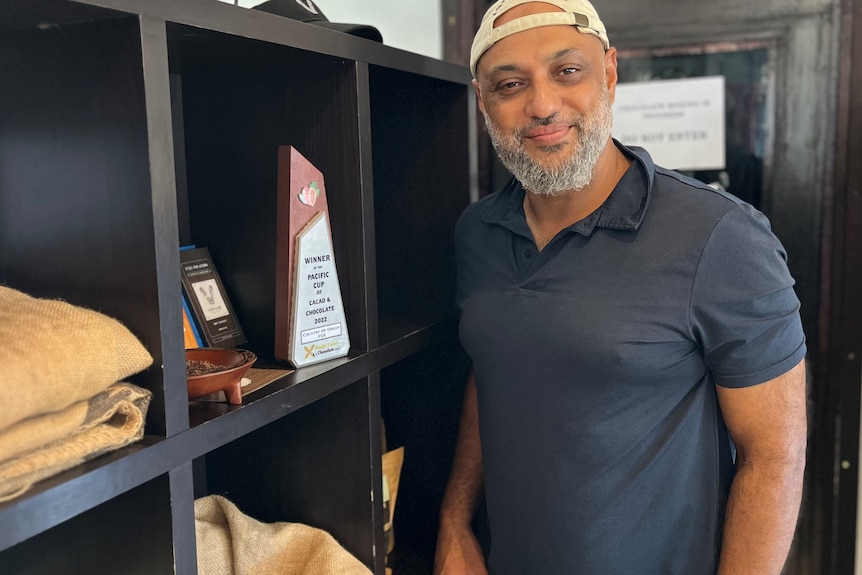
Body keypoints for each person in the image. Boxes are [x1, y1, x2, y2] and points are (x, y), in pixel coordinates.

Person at [433, 1, 808, 574]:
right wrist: (455, 524)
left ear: (609, 72)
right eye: (510, 84)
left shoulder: (721, 238)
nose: (542, 105)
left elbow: (775, 457)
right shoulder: (476, 233)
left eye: (567, 71)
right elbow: (492, 373)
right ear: (483, 102)